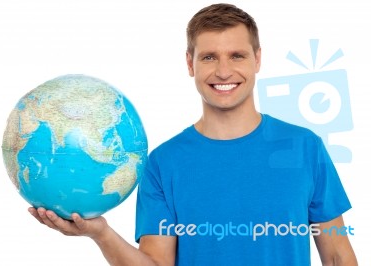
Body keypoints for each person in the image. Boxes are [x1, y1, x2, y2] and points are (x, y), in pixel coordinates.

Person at [29, 3, 357, 265]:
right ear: (190, 64)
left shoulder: (305, 148)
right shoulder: (162, 163)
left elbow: (338, 256)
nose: (224, 71)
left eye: (237, 55)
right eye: (209, 57)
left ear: (257, 59)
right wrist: (101, 234)